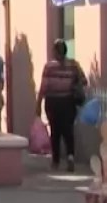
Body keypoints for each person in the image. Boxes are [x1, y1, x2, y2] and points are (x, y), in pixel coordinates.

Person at [36, 39, 86, 173]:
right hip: (68, 101)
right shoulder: (73, 65)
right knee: (68, 130)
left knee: (55, 132)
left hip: (53, 102)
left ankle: (56, 161)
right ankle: (70, 157)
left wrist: (38, 103)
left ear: (55, 51)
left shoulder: (49, 67)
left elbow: (44, 87)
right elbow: (84, 81)